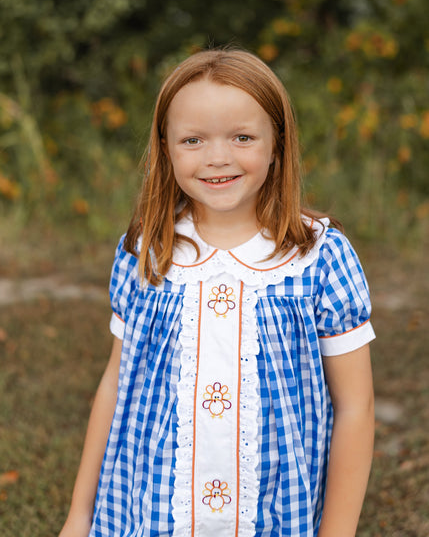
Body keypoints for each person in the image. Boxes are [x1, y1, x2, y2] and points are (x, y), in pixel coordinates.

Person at [59, 48, 375, 537]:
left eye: (242, 137)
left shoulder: (317, 257)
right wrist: (80, 515)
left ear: (277, 145)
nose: (217, 157)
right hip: (156, 511)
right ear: (166, 148)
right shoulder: (147, 251)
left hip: (274, 515)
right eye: (193, 139)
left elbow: (356, 407)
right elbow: (116, 386)